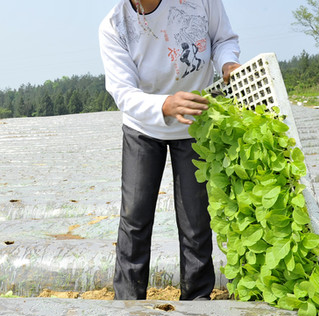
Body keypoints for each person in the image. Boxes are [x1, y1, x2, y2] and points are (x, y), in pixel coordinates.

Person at [98, 0, 241, 300]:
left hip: (195, 123)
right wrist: (164, 104)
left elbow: (223, 39)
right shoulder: (114, 26)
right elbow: (123, 92)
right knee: (135, 218)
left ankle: (197, 299)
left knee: (195, 219)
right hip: (144, 126)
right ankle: (128, 302)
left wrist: (228, 63)